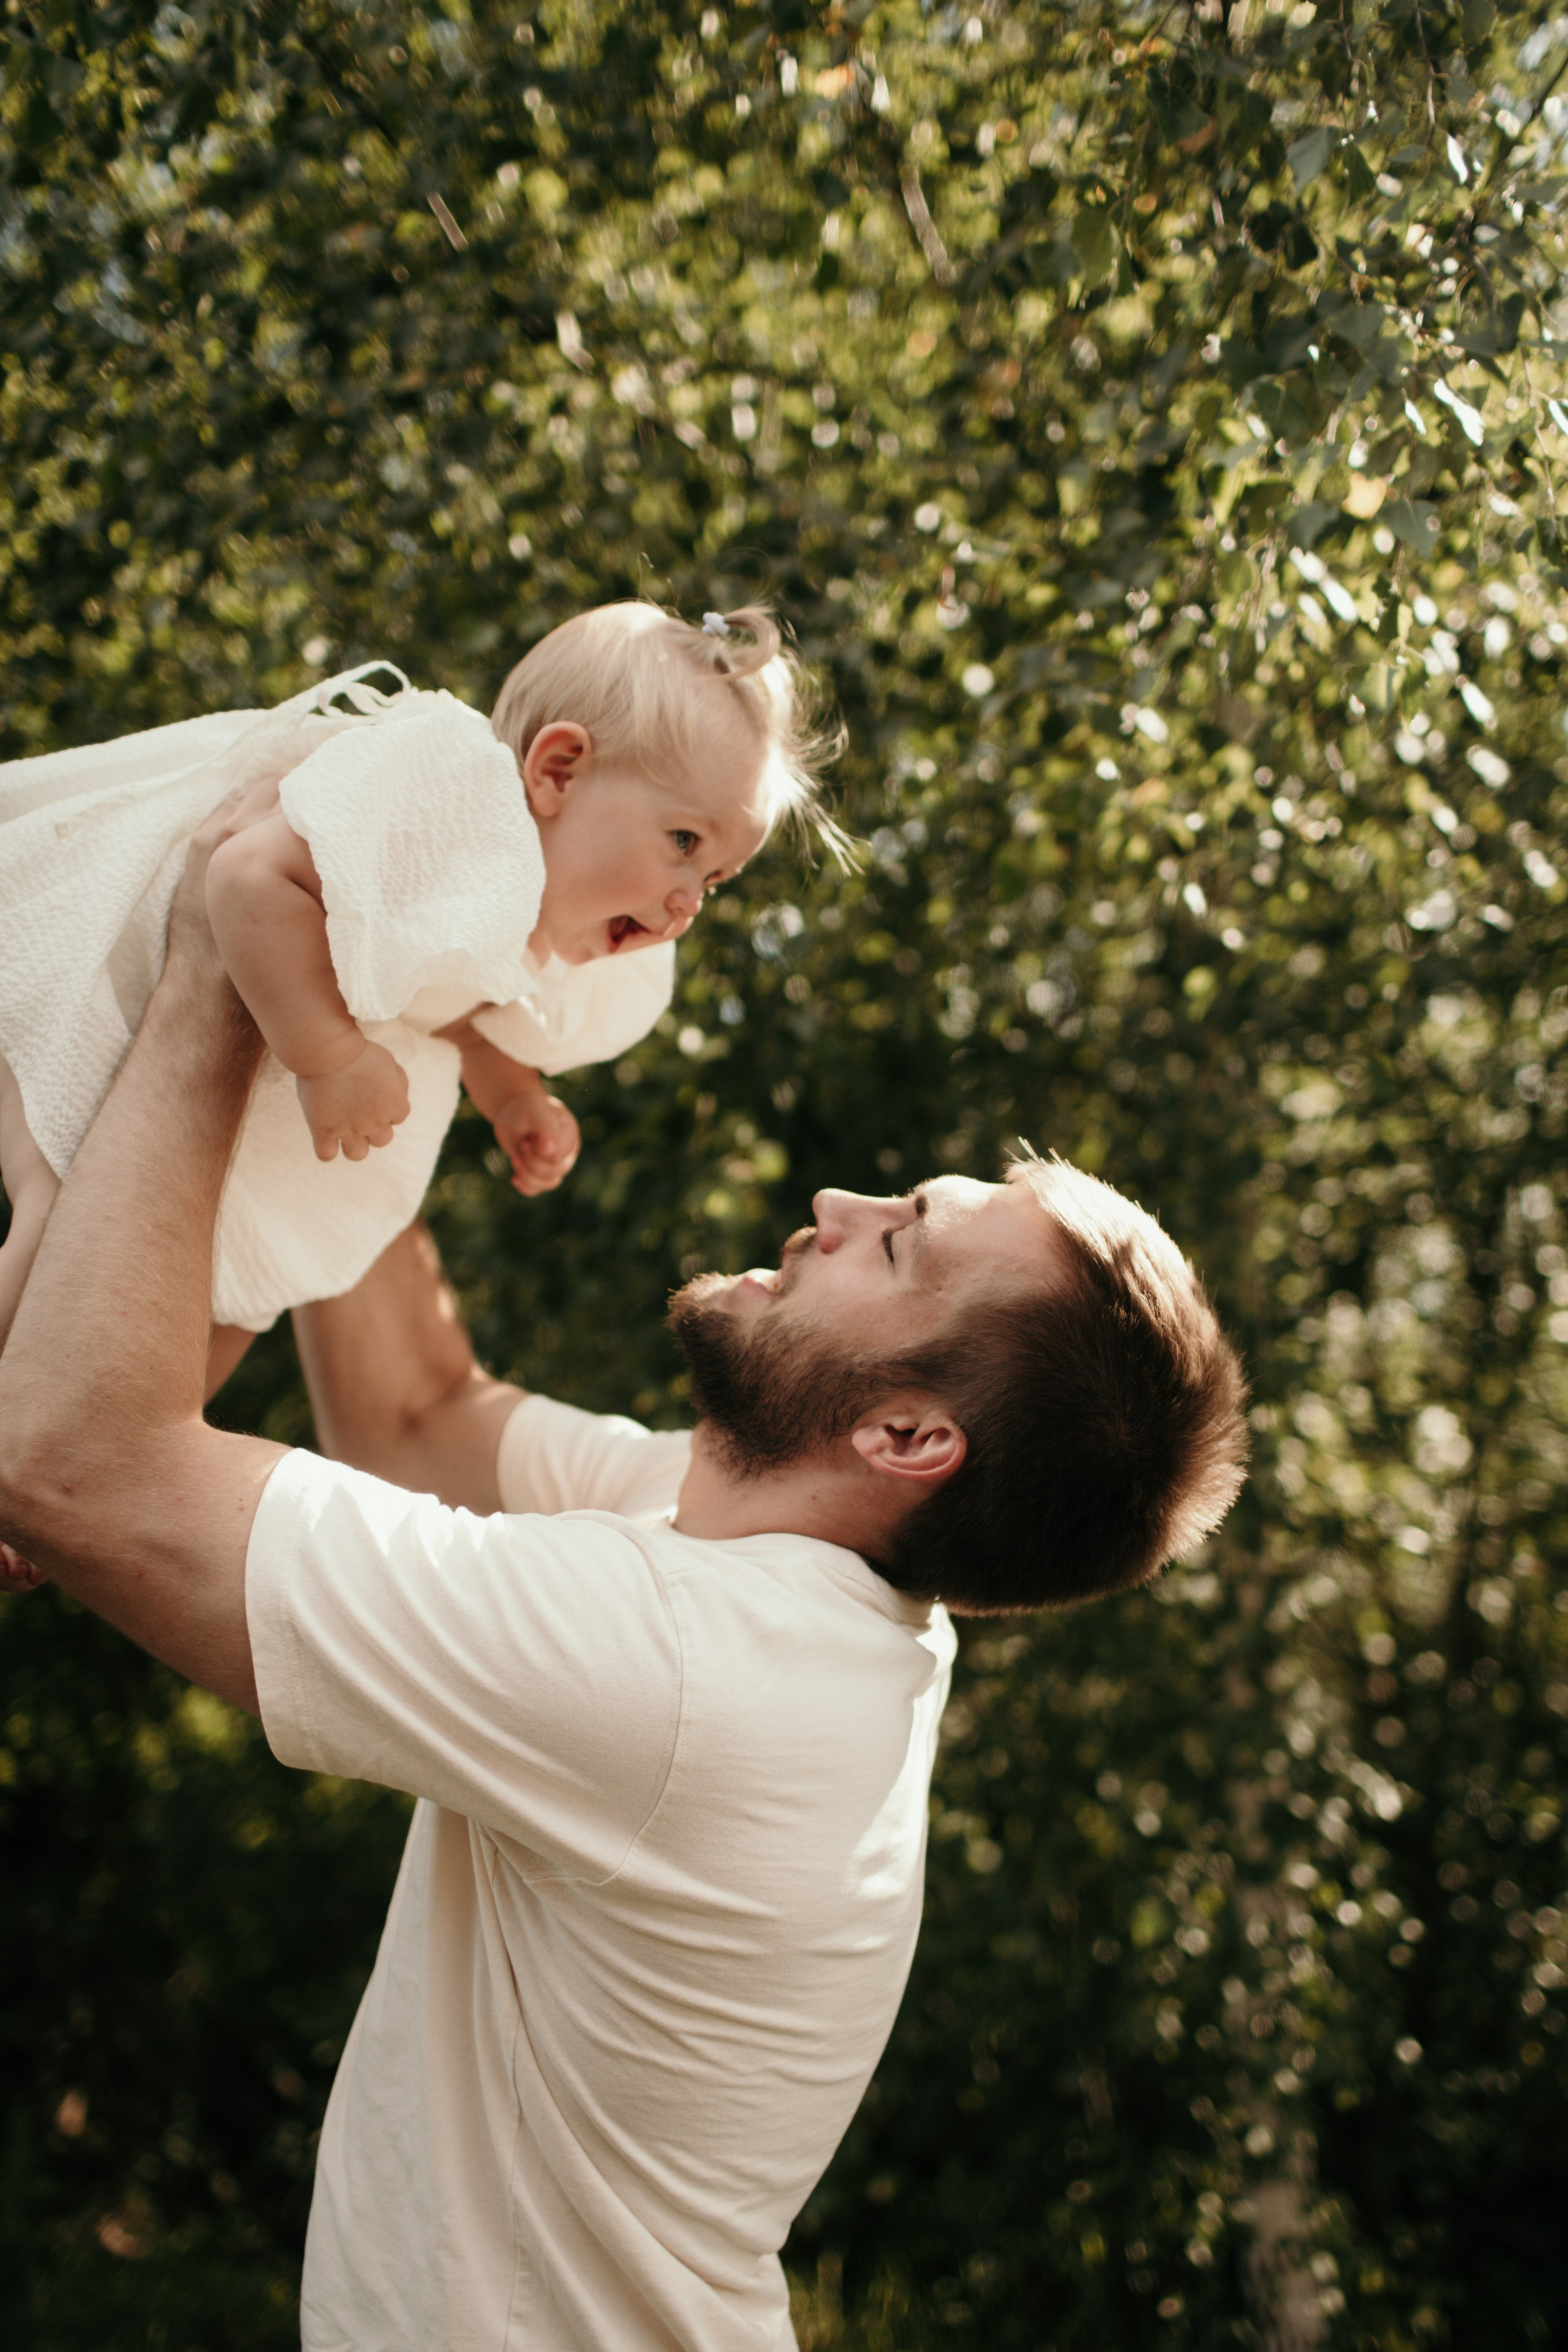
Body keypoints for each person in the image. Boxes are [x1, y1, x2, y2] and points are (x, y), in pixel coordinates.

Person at [0, 821, 1247, 2351]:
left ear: (908, 1435)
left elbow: (68, 1465)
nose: (843, 1208)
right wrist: (365, 1023)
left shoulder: (686, 1676)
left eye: (900, 1243)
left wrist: (217, 964)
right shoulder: (760, 1551)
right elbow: (412, 1418)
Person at [0, 601, 827, 1389]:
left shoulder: (519, 923)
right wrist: (329, 1057)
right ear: (558, 769)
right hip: (107, 989)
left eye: (716, 877)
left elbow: (454, 1008)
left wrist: (512, 1097)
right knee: (76, 1215)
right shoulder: (452, 806)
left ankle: (87, 1461)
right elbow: (252, 875)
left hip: (234, 1073)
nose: (691, 899)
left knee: (241, 1286)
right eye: (684, 842)